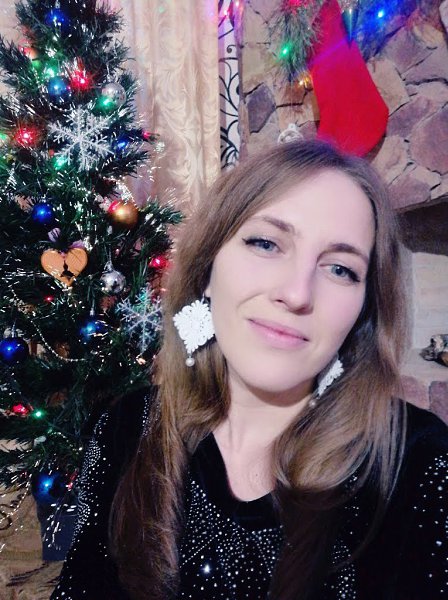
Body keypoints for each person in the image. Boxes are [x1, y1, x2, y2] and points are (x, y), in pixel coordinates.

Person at [51, 139, 448, 600]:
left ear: (363, 311)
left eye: (340, 269)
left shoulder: (420, 468)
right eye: (266, 243)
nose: (296, 294)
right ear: (207, 268)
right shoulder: (126, 427)